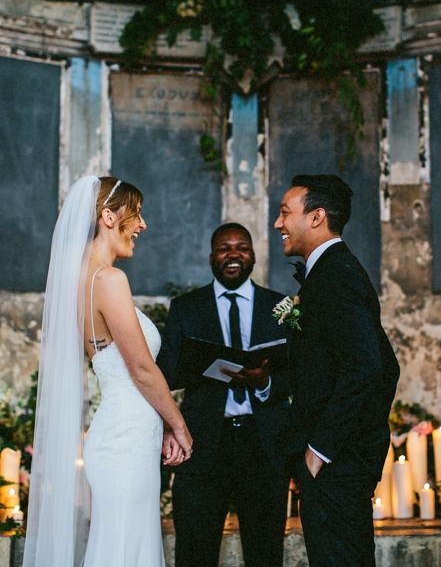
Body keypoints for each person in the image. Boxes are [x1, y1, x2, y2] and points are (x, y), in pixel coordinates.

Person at [23, 176, 192, 567]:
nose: (143, 226)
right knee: (123, 550)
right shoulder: (109, 280)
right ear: (108, 217)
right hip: (126, 442)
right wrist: (179, 425)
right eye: (136, 214)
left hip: (122, 435)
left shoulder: (79, 280)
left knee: (122, 547)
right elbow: (142, 370)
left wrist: (162, 423)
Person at [273, 174, 400, 567]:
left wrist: (319, 450)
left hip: (337, 461)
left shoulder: (336, 275)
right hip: (337, 460)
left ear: (317, 217)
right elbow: (380, 363)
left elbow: (368, 366)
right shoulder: (328, 273)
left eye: (284, 213)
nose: (278, 224)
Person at [156, 223, 290, 567]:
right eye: (225, 248)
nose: (233, 254)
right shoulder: (186, 307)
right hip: (203, 445)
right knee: (195, 552)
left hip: (263, 446)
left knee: (265, 553)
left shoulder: (281, 307)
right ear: (212, 257)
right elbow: (165, 373)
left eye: (242, 248)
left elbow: (297, 374)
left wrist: (264, 382)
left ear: (253, 256)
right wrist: (199, 365)